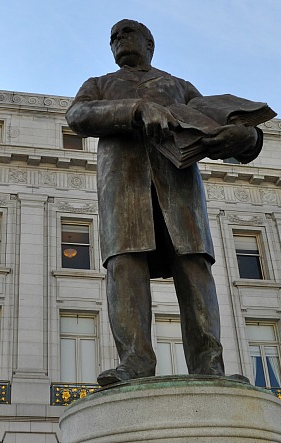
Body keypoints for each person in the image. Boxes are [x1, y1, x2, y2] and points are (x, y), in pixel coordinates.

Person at [66, 19, 263, 386]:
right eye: (112, 38)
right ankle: (135, 361)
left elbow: (218, 123)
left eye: (126, 33)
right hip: (124, 189)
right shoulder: (99, 85)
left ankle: (209, 365)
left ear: (149, 43)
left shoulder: (179, 86)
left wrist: (246, 137)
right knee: (125, 267)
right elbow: (77, 116)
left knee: (194, 270)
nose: (118, 40)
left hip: (180, 191)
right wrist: (136, 110)